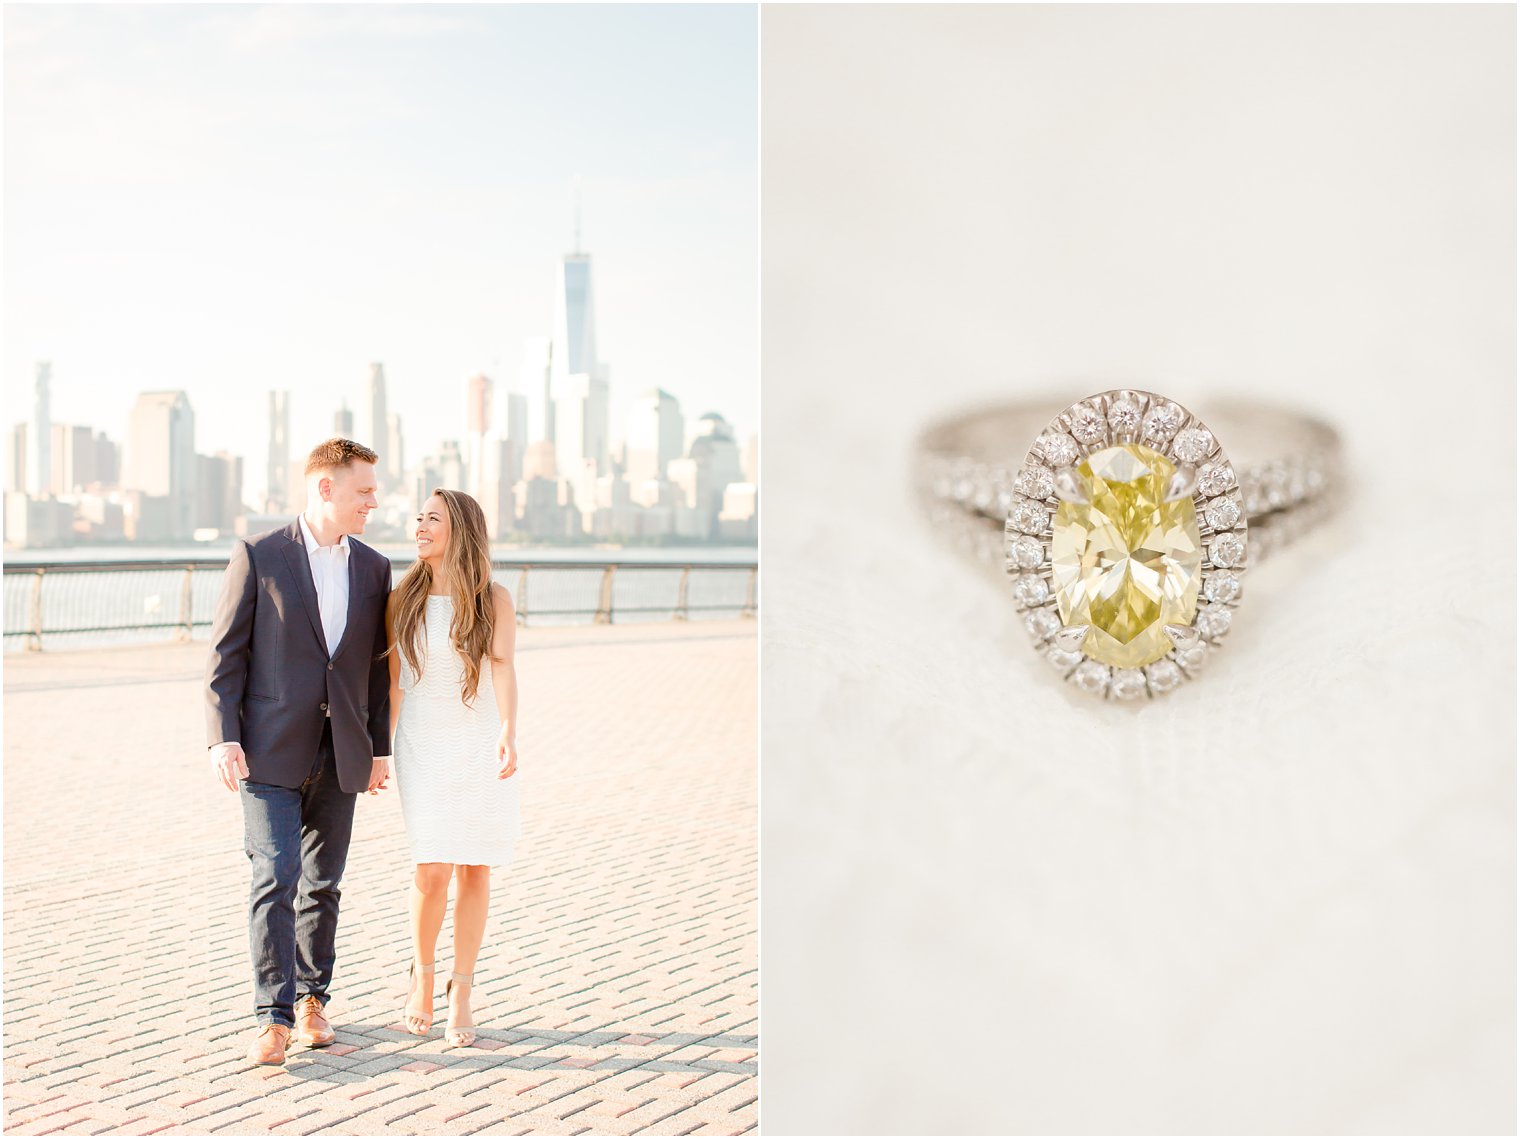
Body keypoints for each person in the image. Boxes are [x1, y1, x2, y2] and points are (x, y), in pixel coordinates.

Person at [204, 438, 393, 1067]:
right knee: (275, 874)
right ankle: (272, 1016)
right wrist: (222, 736)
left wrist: (380, 750)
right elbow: (225, 657)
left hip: (342, 752)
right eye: (363, 489)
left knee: (324, 884)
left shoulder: (373, 567)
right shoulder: (260, 554)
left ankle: (314, 1000)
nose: (374, 500)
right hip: (267, 751)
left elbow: (372, 669)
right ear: (325, 488)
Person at [387, 488, 520, 1048]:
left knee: (475, 868)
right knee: (431, 868)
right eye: (419, 517)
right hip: (421, 743)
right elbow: (393, 680)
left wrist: (509, 731)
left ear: (459, 531)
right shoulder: (402, 598)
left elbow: (504, 667)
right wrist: (379, 750)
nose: (420, 526)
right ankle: (421, 976)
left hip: (476, 743)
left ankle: (461, 989)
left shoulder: (494, 599)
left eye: (432, 519)